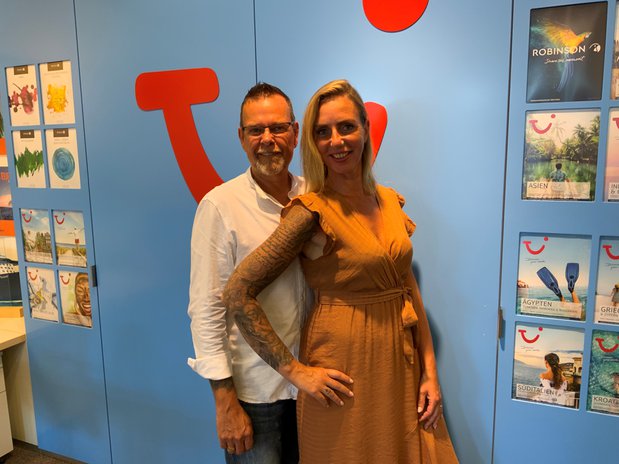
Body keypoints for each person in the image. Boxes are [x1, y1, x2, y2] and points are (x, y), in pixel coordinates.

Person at [223, 80, 458, 463]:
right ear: (312, 143)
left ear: (365, 128)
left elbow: (407, 287)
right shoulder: (311, 211)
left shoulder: (388, 200)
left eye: (346, 127)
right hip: (342, 368)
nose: (336, 141)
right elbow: (238, 292)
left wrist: (430, 372)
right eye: (323, 132)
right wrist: (295, 372)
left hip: (399, 363)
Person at [188, 83, 312, 463]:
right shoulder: (220, 206)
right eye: (256, 130)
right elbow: (207, 309)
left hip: (313, 386)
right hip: (256, 395)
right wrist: (224, 402)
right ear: (241, 138)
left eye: (278, 128)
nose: (267, 139)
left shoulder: (315, 197)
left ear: (295, 132)